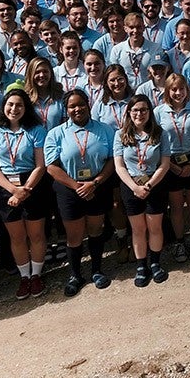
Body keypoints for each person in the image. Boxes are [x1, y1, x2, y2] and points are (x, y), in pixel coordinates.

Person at [45, 89, 117, 296]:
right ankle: (75, 274)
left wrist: (95, 183)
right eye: (72, 106)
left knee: (95, 230)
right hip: (70, 189)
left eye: (81, 104)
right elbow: (51, 166)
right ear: (66, 110)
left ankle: (96, 270)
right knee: (74, 236)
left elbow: (112, 159)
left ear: (88, 104)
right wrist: (77, 186)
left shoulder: (104, 130)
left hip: (97, 186)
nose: (77, 109)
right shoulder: (56, 134)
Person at [0, 89, 50, 299]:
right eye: (10, 104)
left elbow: (40, 165)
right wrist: (13, 190)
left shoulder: (36, 130)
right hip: (6, 186)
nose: (14, 109)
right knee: (17, 237)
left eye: (19, 105)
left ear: (26, 108)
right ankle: (24, 276)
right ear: (3, 106)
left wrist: (25, 190)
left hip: (32, 183)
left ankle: (37, 275)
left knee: (36, 234)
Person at [114, 94, 172, 285]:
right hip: (131, 187)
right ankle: (141, 265)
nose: (140, 114)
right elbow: (119, 166)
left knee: (155, 226)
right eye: (136, 110)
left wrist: (148, 185)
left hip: (155, 184)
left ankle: (155, 263)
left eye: (144, 110)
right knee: (138, 229)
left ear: (150, 112)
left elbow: (164, 164)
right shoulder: (120, 134)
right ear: (129, 112)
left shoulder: (160, 133)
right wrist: (134, 187)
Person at [157, 73, 190, 262]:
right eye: (174, 89)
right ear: (168, 91)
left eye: (182, 89)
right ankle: (179, 242)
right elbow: (156, 142)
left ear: (187, 90)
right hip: (170, 162)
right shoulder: (159, 112)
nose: (178, 93)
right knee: (176, 206)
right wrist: (172, 166)